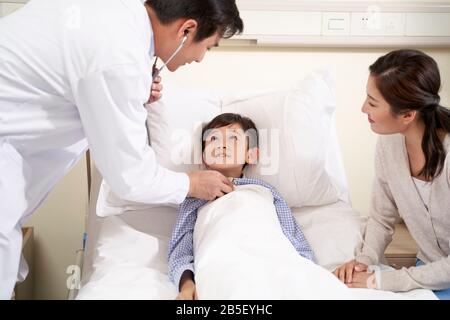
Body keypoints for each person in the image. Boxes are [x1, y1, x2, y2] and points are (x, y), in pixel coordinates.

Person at [0, 0, 242, 299]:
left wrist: (133, 90)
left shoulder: (117, 22)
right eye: (210, 46)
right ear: (187, 30)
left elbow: (83, 78)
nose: (202, 58)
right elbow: (130, 177)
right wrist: (191, 183)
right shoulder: (120, 61)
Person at [333, 49, 450, 299]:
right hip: (430, 273)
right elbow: (381, 218)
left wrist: (381, 280)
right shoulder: (389, 145)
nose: (363, 108)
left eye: (373, 103)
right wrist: (363, 261)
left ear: (408, 115)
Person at [167, 113, 314, 300]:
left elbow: (294, 239)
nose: (222, 144)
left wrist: (307, 273)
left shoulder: (266, 191)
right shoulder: (194, 196)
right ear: (204, 157)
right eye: (213, 138)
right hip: (220, 265)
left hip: (274, 262)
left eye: (233, 138)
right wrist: (187, 287)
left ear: (251, 155)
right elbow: (180, 249)